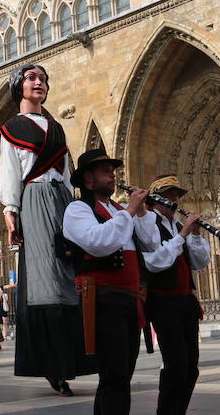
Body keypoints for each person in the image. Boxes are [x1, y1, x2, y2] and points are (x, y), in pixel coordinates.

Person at [0, 63, 95, 395]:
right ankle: (51, 364)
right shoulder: (11, 128)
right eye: (31, 78)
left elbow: (66, 173)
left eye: (42, 79)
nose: (38, 82)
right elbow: (10, 171)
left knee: (69, 270)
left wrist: (76, 208)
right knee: (44, 276)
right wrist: (10, 209)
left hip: (62, 199)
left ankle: (72, 359)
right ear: (19, 87)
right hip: (34, 196)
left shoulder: (56, 128)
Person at [62, 149, 159, 415]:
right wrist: (130, 210)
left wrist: (142, 212)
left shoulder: (119, 210)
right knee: (114, 373)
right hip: (103, 297)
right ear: (88, 179)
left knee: (123, 373)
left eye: (112, 170)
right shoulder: (77, 209)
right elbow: (99, 242)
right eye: (105, 171)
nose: (113, 175)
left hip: (129, 298)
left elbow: (151, 243)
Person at [141, 175, 212, 415]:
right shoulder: (149, 222)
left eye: (176, 194)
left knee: (191, 366)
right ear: (155, 198)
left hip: (185, 301)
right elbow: (155, 262)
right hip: (163, 301)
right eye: (169, 194)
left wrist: (195, 235)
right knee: (176, 363)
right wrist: (182, 234)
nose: (174, 199)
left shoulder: (176, 224)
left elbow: (199, 263)